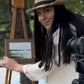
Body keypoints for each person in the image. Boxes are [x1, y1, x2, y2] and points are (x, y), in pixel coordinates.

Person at [0, 0, 84, 84]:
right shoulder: (74, 24)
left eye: (47, 10)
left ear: (58, 9)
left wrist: (16, 67)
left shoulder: (64, 31)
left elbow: (47, 67)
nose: (42, 18)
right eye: (39, 13)